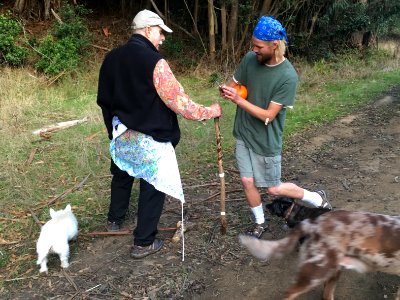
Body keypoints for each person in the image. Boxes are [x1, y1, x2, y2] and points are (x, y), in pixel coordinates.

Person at [97, 9, 221, 258]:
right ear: (147, 30)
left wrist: (113, 128)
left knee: (122, 172)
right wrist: (209, 111)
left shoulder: (111, 58)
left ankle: (114, 220)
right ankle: (143, 242)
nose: (163, 38)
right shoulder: (155, 62)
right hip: (149, 137)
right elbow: (178, 102)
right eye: (161, 32)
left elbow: (104, 100)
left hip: (121, 132)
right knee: (153, 184)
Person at [219, 16, 331, 238]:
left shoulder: (287, 76)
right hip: (243, 132)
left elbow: (269, 115)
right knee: (246, 180)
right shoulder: (250, 59)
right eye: (253, 45)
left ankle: (317, 198)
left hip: (266, 140)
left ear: (275, 45)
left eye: (259, 46)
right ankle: (260, 223)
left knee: (273, 188)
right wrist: (227, 90)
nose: (254, 50)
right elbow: (232, 85)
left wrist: (239, 101)